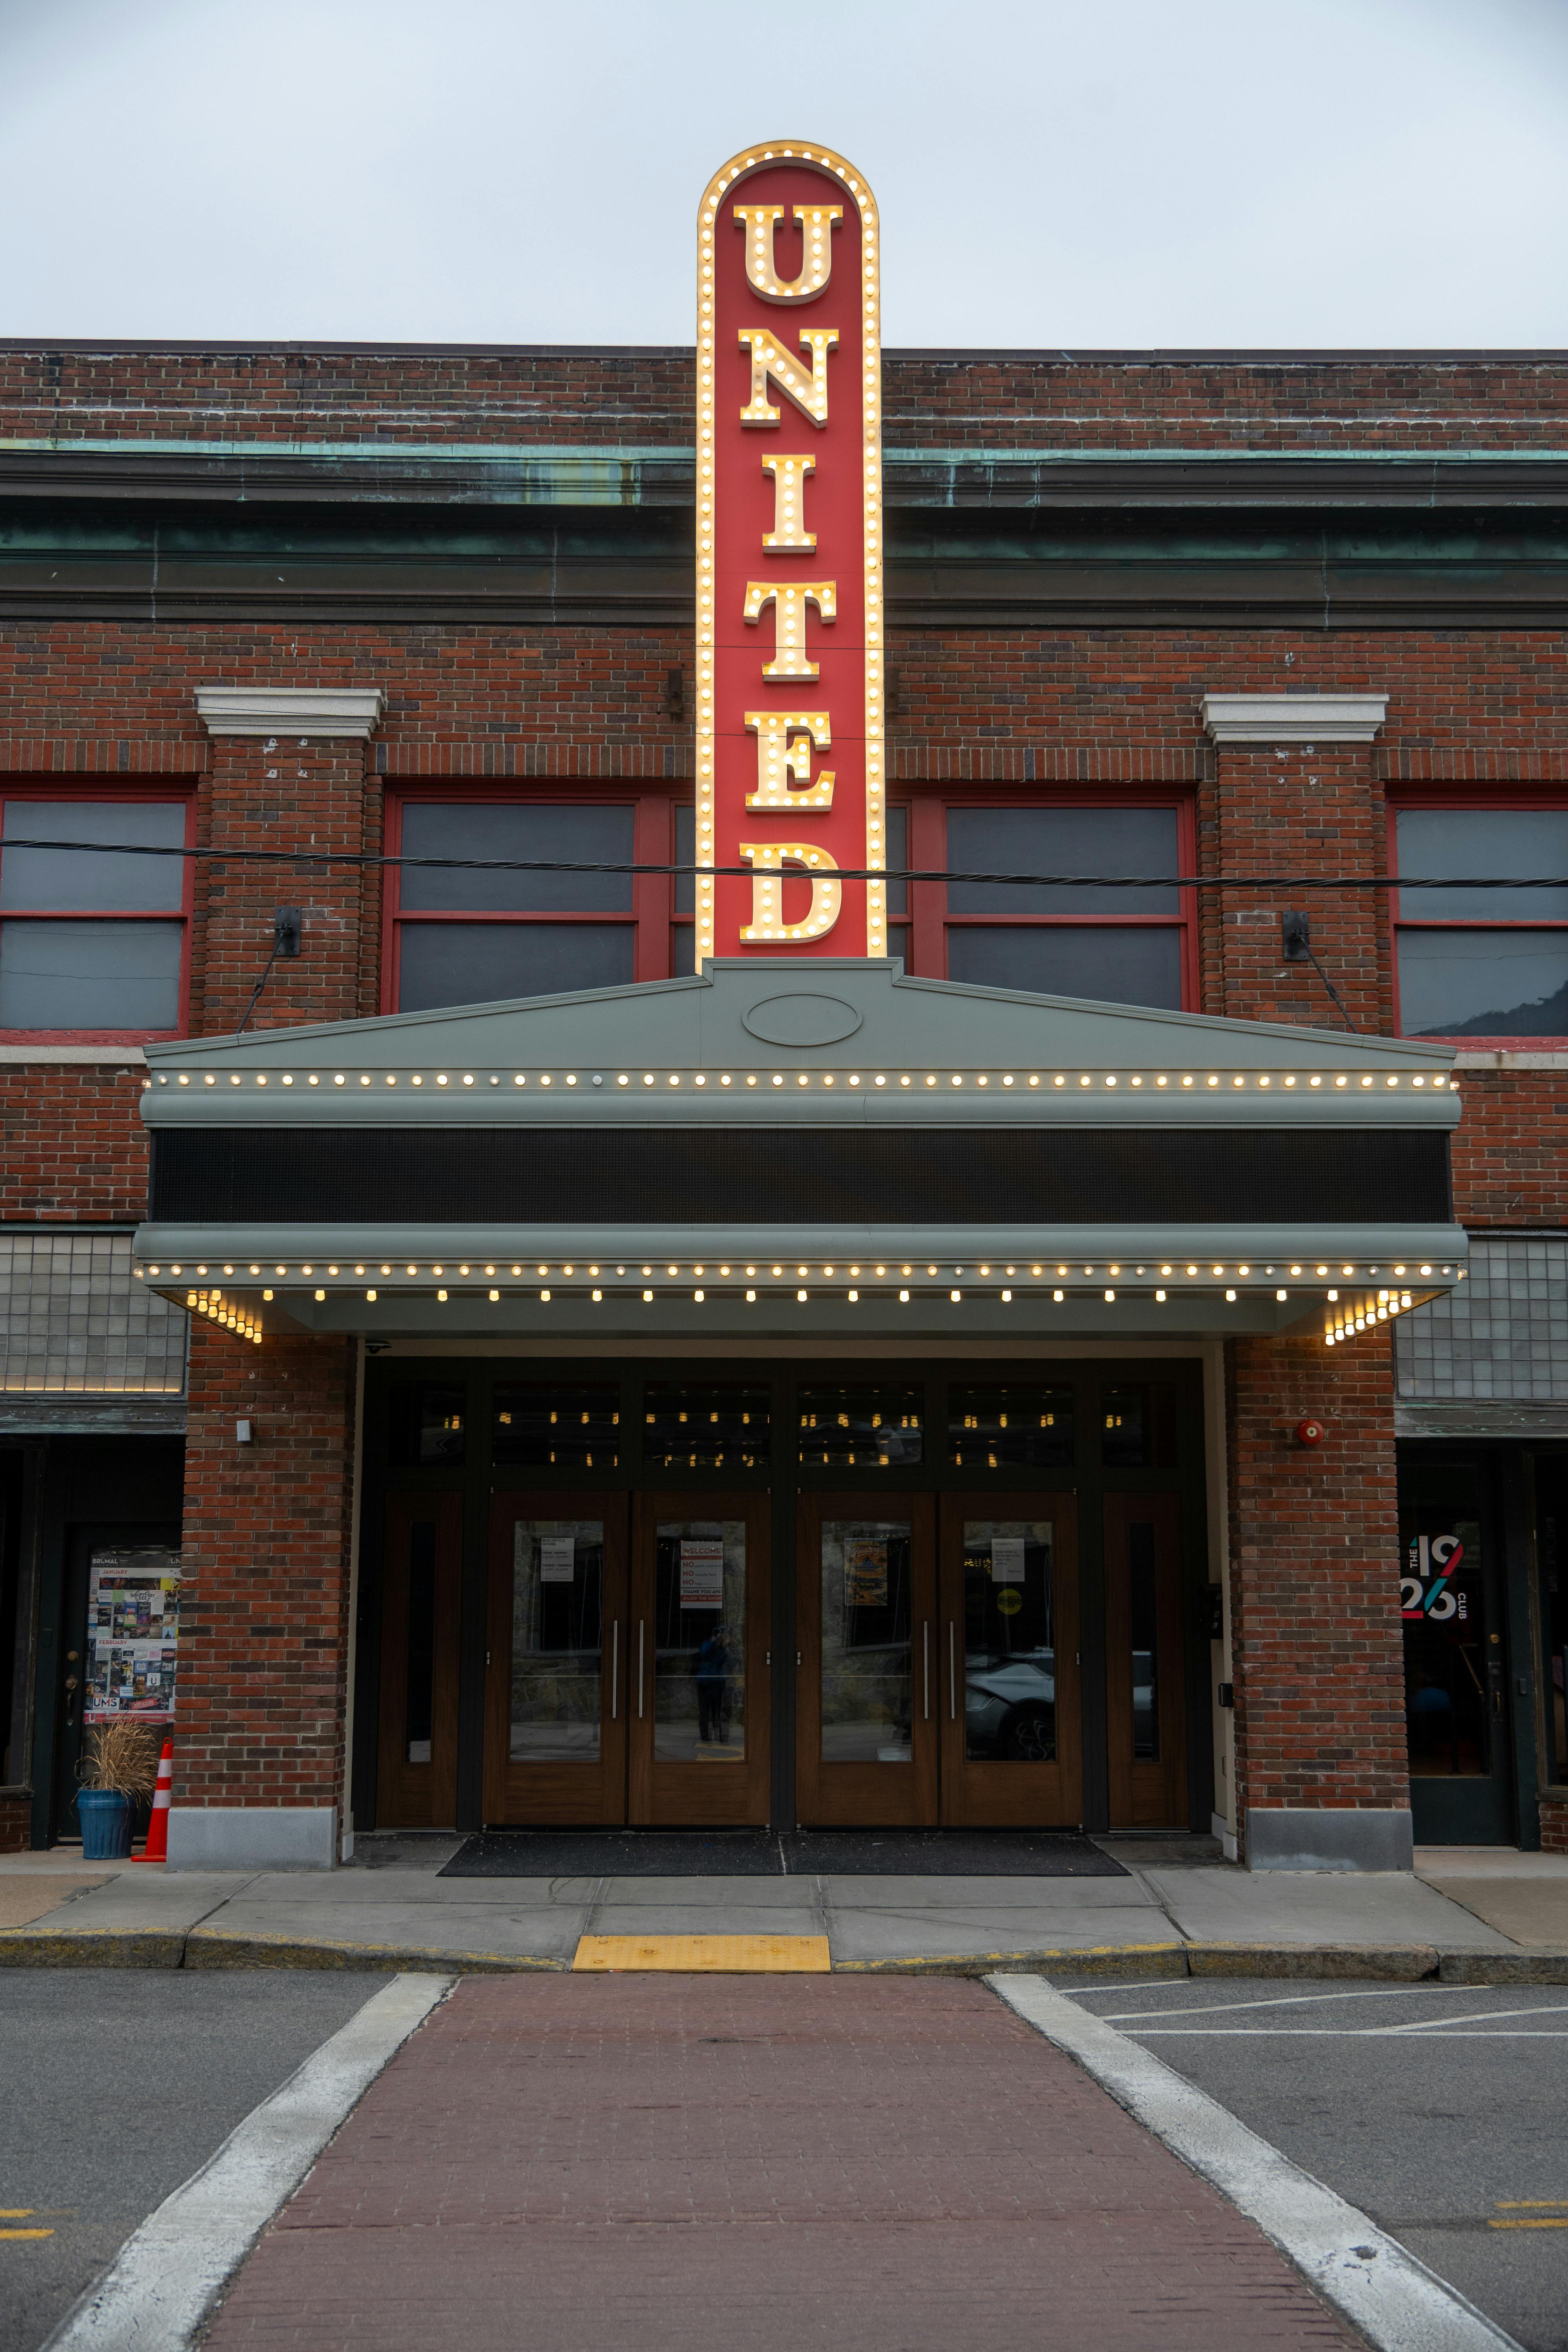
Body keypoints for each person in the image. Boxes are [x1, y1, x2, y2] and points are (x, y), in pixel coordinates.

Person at [695, 1627, 729, 1745]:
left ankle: (719, 1735)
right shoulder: (707, 1644)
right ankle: (705, 1736)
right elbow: (704, 1654)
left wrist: (723, 1646)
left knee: (717, 1712)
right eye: (717, 1635)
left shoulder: (723, 1650)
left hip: (717, 1684)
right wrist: (713, 1643)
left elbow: (722, 1661)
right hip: (705, 1683)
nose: (719, 1637)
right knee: (704, 1711)